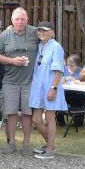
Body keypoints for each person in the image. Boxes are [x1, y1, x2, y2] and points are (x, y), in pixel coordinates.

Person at [0, 7, 39, 155]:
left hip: (29, 81)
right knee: (11, 113)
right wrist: (12, 61)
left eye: (23, 19)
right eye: (17, 19)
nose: (20, 21)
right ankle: (11, 143)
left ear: (27, 20)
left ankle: (26, 144)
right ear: (12, 20)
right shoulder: (5, 35)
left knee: (27, 113)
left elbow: (47, 41)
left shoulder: (34, 32)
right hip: (10, 81)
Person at [28, 22, 67, 160]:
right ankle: (51, 145)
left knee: (50, 118)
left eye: (45, 31)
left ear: (51, 32)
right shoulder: (39, 46)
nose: (42, 33)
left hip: (51, 86)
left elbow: (58, 69)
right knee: (36, 119)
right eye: (39, 31)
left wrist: (54, 88)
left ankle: (50, 149)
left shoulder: (56, 47)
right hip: (38, 87)